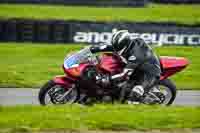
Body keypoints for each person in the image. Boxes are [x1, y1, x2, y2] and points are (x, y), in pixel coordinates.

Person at [89, 30, 161, 102]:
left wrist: (108, 79)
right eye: (116, 47)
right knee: (119, 86)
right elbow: (106, 47)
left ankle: (152, 101)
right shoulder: (125, 45)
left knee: (135, 94)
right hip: (138, 68)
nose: (116, 49)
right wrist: (91, 50)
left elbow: (124, 74)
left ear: (125, 43)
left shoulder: (135, 55)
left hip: (150, 72)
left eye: (118, 47)